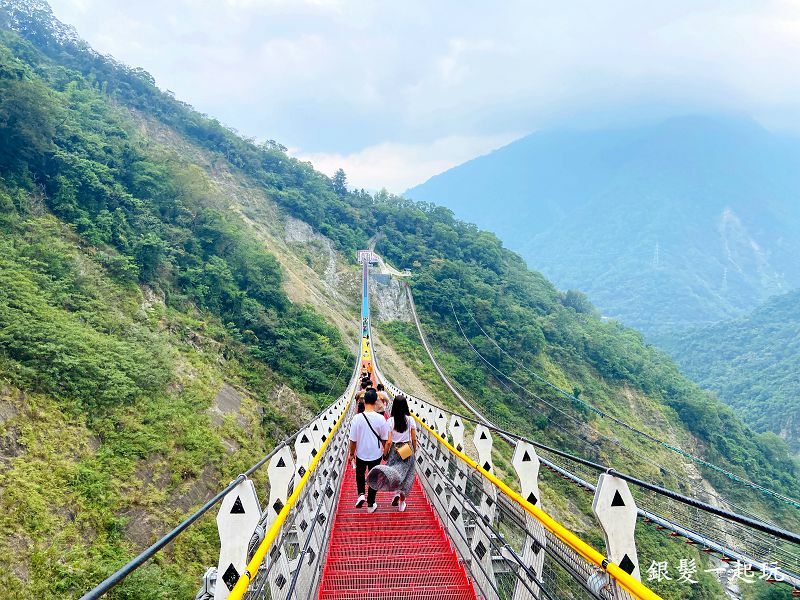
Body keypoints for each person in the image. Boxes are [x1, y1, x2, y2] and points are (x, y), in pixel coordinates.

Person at [366, 395, 416, 512]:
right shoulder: (410, 420)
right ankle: (401, 500)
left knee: (393, 470)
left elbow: (388, 441)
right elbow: (414, 438)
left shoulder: (390, 421)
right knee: (407, 474)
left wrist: (385, 453)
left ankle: (396, 491)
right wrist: (415, 450)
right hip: (406, 448)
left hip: (395, 448)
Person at [348, 388, 389, 513]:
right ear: (376, 401)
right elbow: (385, 439)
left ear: (364, 401)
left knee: (360, 474)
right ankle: (371, 504)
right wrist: (385, 454)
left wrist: (351, 454)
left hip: (361, 453)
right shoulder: (381, 419)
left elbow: (353, 440)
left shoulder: (357, 418)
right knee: (374, 478)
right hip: (376, 454)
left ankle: (361, 494)